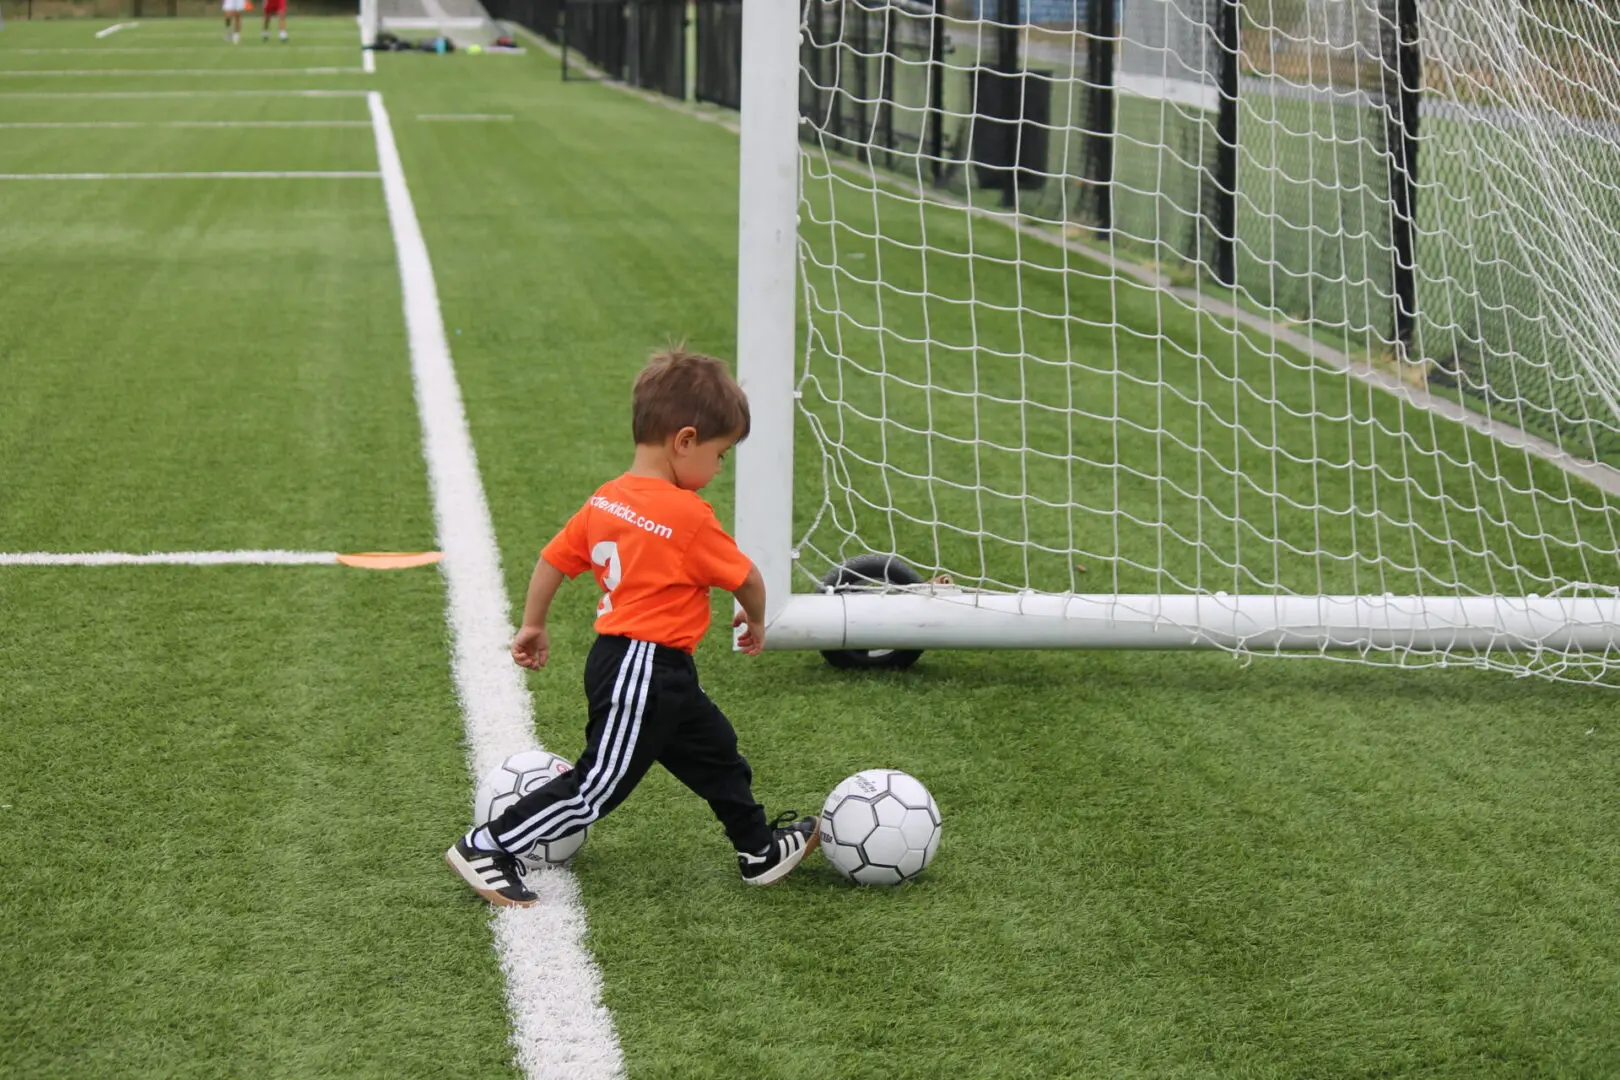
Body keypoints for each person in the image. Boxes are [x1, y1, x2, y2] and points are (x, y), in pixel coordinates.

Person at [445, 348, 818, 908]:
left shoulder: (607, 499)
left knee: (717, 751)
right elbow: (748, 578)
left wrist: (533, 625)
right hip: (643, 669)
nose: (718, 471)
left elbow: (552, 559)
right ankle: (487, 845)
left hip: (640, 666)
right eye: (720, 456)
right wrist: (757, 618)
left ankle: (758, 849)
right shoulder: (689, 515)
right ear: (685, 441)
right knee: (597, 784)